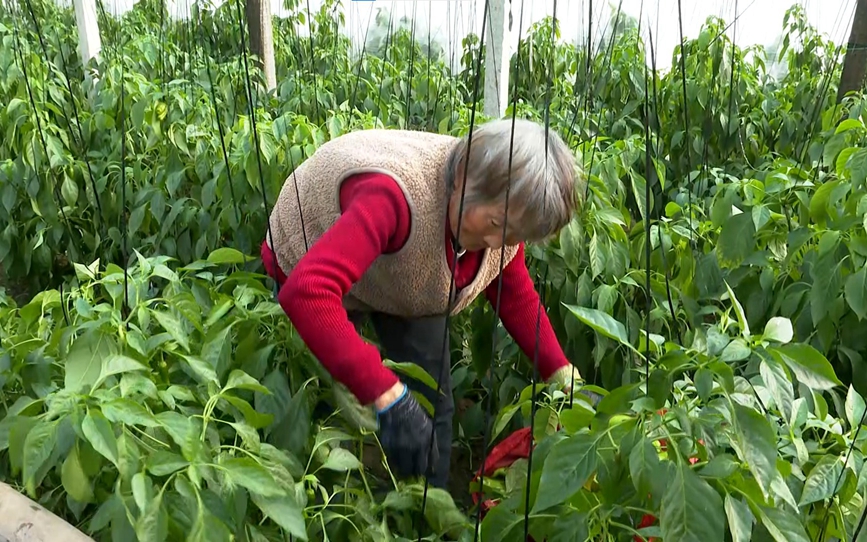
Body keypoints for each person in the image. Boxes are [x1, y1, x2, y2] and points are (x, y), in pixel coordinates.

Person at [260, 118, 589, 489]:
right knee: (330, 408)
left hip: (404, 269)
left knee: (432, 404)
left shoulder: (502, 219)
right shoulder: (392, 196)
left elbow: (515, 295)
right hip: (316, 252)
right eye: (497, 224)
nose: (500, 241)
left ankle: (426, 511)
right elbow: (308, 292)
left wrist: (563, 376)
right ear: (464, 177)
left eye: (514, 234)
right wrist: (388, 395)